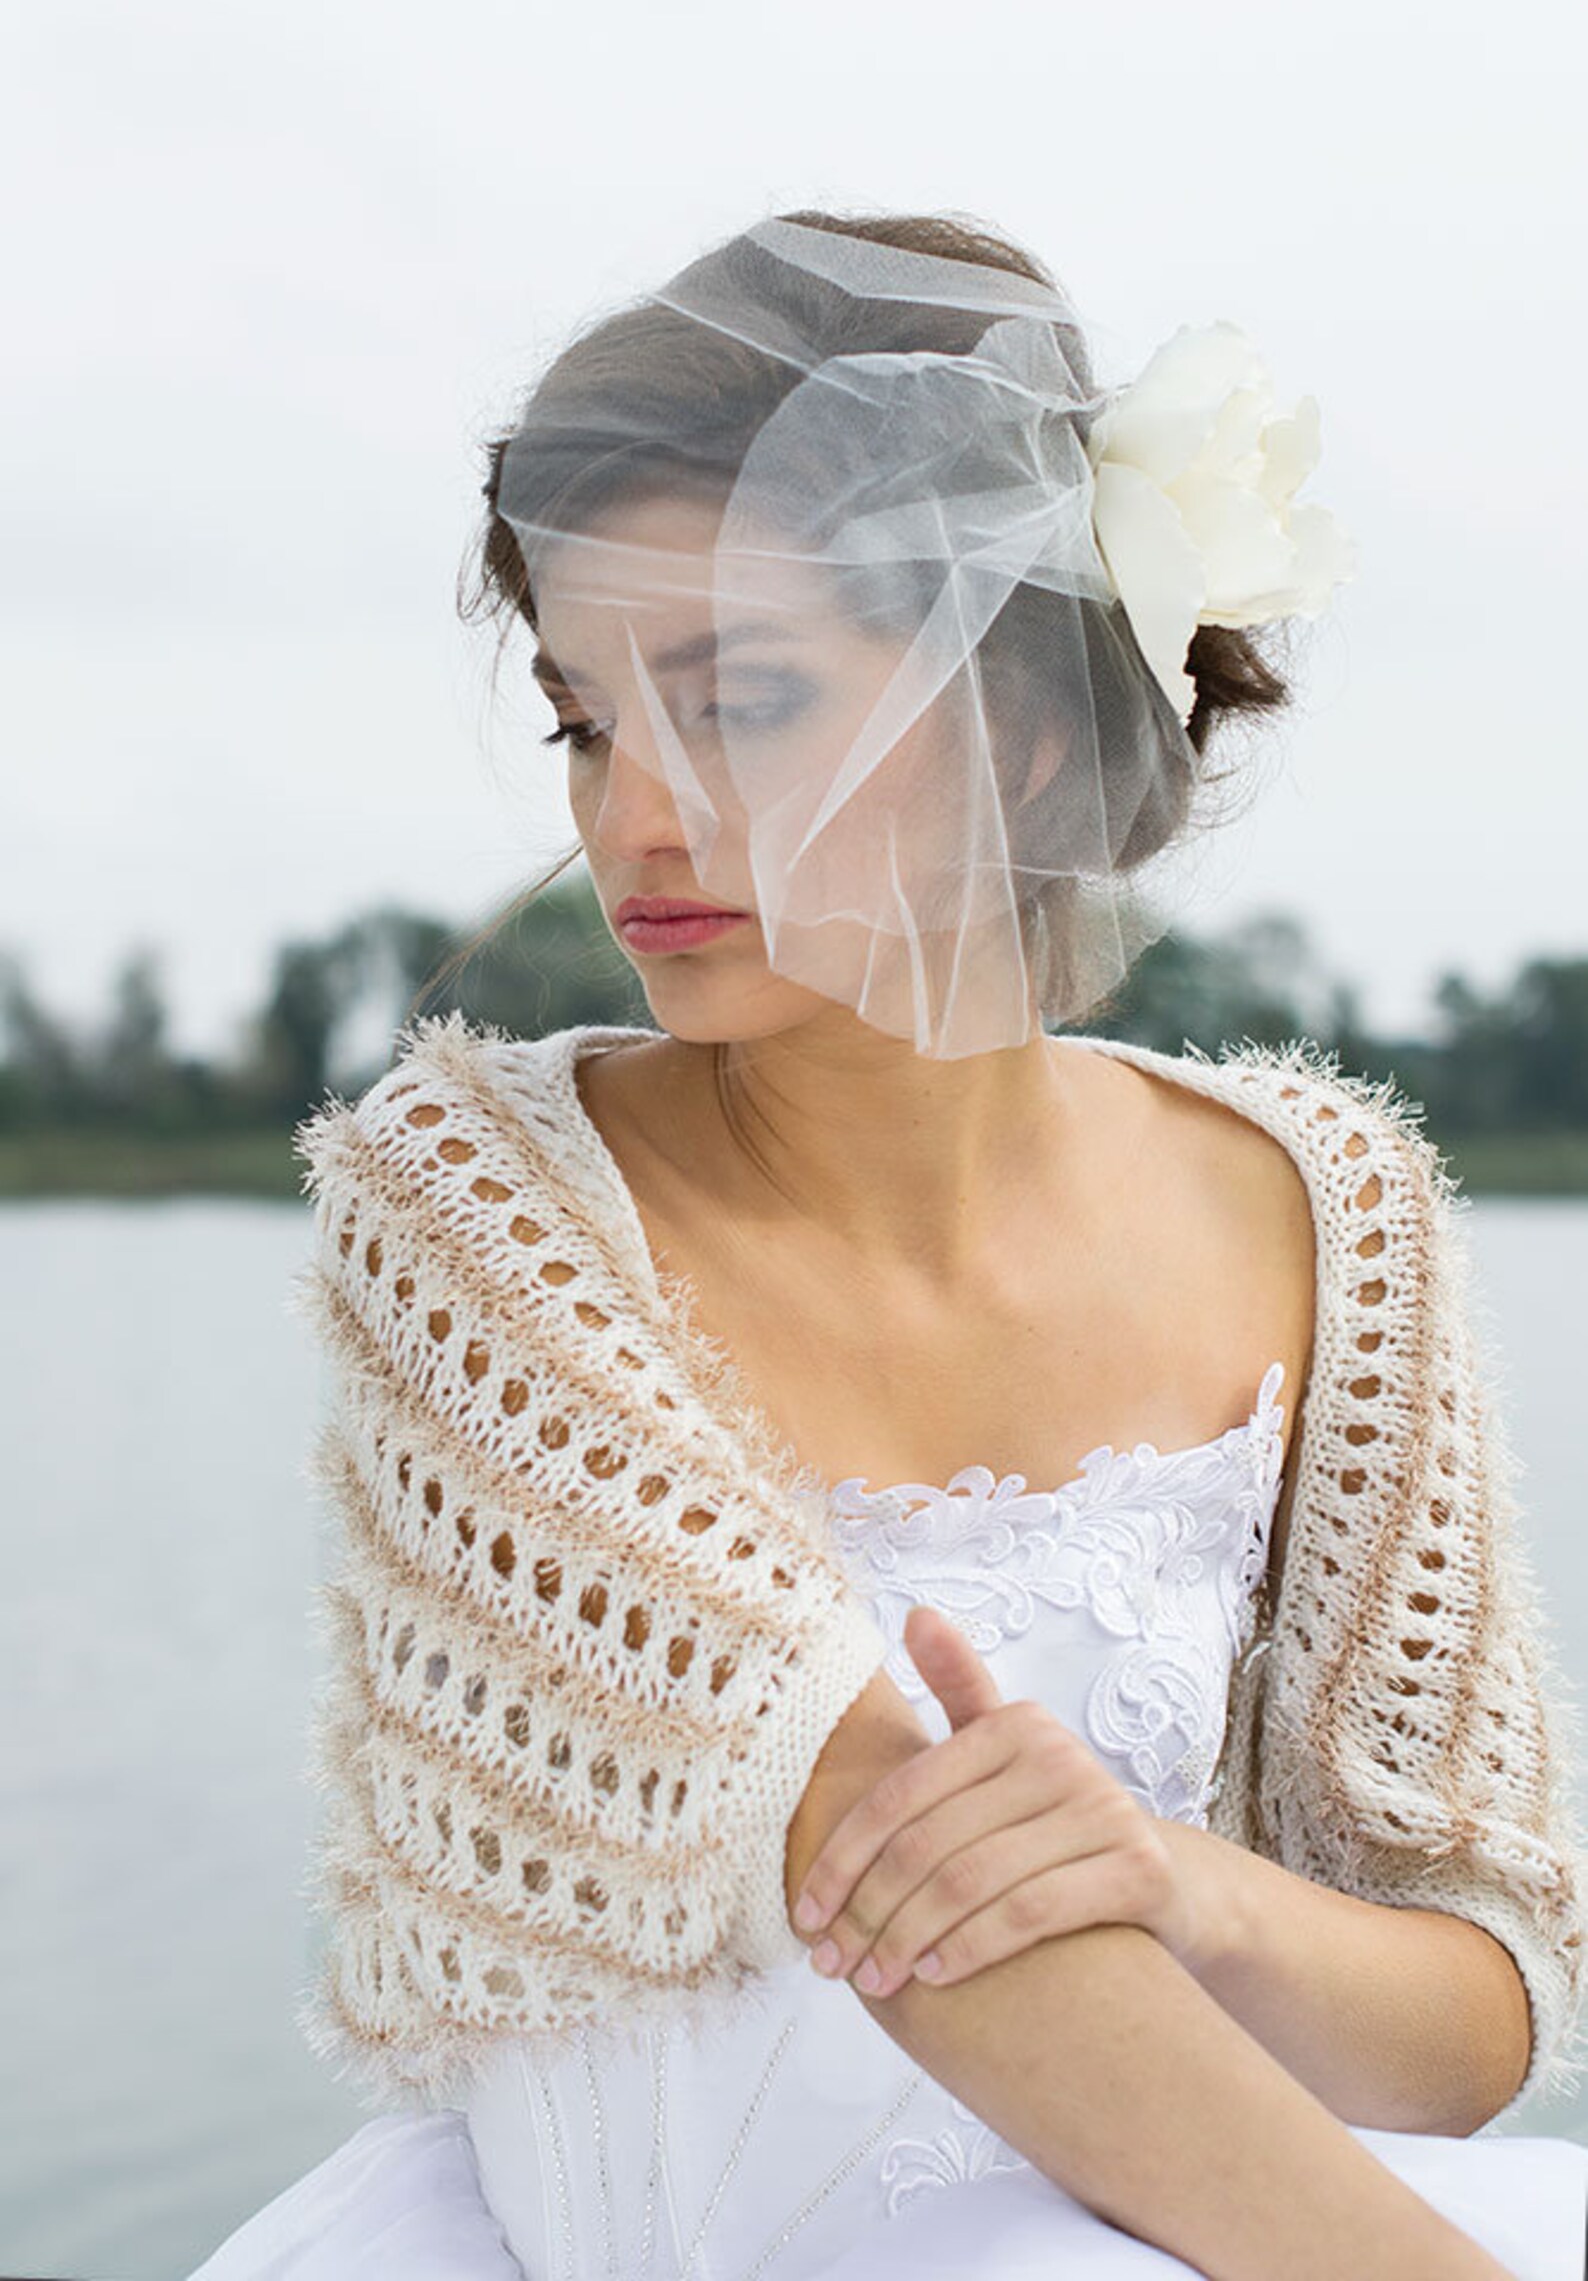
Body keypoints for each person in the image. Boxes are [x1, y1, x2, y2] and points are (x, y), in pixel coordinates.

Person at [190, 209, 1588, 2280]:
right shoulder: (477, 1201)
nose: (629, 820)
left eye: (741, 702)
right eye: (585, 720)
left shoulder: (1330, 1212)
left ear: (1021, 722)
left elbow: (1472, 2016)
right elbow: (875, 1860)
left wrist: (1189, 1890)